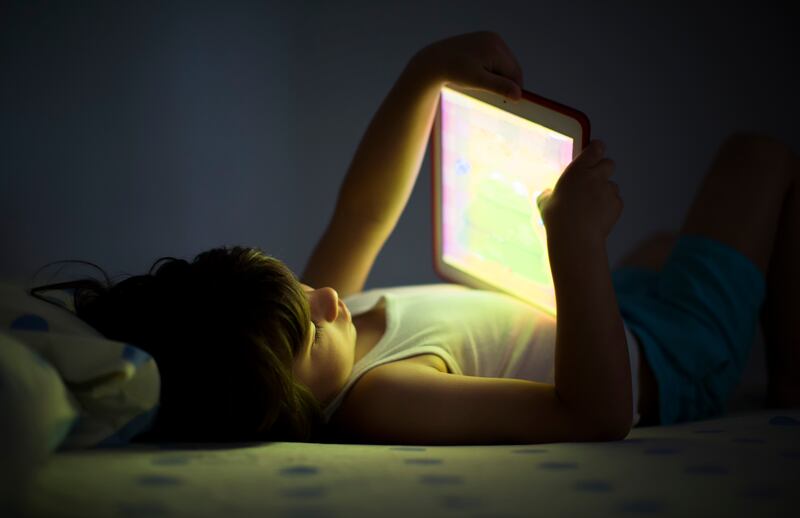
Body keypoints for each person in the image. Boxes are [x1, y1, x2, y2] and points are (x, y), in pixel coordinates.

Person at [30, 32, 799, 446]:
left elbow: (362, 212)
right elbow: (593, 415)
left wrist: (420, 79)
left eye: (299, 287)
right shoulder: (376, 400)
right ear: (283, 402)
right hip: (658, 360)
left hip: (618, 313)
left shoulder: (321, 338)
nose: (328, 295)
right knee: (759, 162)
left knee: (669, 243)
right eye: (314, 320)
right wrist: (574, 247)